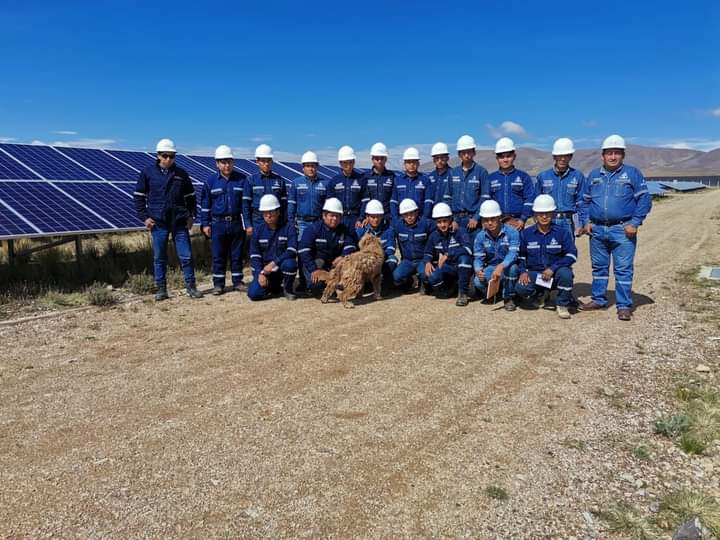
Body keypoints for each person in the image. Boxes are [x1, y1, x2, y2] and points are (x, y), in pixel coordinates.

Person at [579, 134, 652, 321]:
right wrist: (585, 221)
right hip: (597, 230)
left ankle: (624, 305)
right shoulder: (594, 175)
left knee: (623, 269)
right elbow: (584, 201)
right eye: (609, 153)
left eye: (617, 153)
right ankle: (598, 300)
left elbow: (645, 199)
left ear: (623, 155)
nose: (613, 157)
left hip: (622, 230)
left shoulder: (632, 173)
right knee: (599, 268)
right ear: (602, 155)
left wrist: (635, 222)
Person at [134, 138, 203, 301]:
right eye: (165, 156)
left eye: (172, 156)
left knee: (186, 256)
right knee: (159, 258)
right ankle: (161, 289)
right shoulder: (147, 173)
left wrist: (191, 215)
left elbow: (191, 197)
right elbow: (138, 198)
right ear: (158, 155)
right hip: (159, 223)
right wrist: (145, 217)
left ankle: (191, 287)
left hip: (179, 222)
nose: (168, 159)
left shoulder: (181, 174)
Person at [515, 195, 577, 319]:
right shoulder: (526, 234)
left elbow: (572, 255)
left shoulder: (562, 232)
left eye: (548, 213)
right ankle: (541, 293)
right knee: (521, 287)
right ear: (535, 215)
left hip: (555, 274)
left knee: (566, 274)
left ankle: (562, 304)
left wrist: (553, 268)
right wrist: (522, 272)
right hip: (537, 275)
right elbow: (521, 257)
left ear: (553, 214)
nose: (544, 216)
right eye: (540, 213)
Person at [200, 145, 251, 294]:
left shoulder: (242, 180)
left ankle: (237, 282)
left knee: (237, 254)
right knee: (218, 255)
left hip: (236, 222)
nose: (226, 165)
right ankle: (218, 284)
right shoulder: (210, 182)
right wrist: (205, 224)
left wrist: (247, 223)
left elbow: (245, 204)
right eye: (223, 162)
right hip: (218, 223)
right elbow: (205, 205)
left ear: (233, 162)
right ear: (217, 164)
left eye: (229, 161)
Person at [297, 197, 357, 295]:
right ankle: (312, 284)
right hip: (316, 263)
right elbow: (303, 251)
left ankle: (332, 284)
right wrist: (314, 269)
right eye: (331, 215)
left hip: (334, 265)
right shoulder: (313, 229)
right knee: (315, 285)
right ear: (324, 215)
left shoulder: (344, 229)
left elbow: (350, 245)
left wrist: (343, 257)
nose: (334, 219)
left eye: (337, 216)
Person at [247, 195, 298, 301]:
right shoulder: (258, 230)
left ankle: (287, 289)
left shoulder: (289, 228)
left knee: (290, 264)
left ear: (278, 212)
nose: (268, 215)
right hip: (265, 271)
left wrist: (274, 262)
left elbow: (292, 250)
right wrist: (259, 274)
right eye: (265, 213)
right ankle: (273, 286)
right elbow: (254, 255)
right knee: (253, 294)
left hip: (280, 267)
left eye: (271, 212)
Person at [472, 200, 520, 311]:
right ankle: (496, 293)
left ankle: (509, 297)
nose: (489, 223)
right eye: (486, 220)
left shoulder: (512, 232)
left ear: (499, 217)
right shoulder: (480, 236)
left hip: (508, 267)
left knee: (512, 269)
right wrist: (478, 269)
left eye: (493, 219)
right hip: (492, 268)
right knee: (478, 281)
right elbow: (478, 257)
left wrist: (502, 266)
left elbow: (513, 253)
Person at [423, 202, 473, 306]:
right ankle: (450, 288)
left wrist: (448, 254)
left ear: (450, 219)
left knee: (465, 259)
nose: (442, 225)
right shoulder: (434, 236)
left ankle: (463, 293)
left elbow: (468, 249)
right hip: (448, 267)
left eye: (445, 221)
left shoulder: (460, 231)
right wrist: (427, 262)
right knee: (432, 276)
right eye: (439, 222)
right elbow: (428, 252)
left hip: (461, 266)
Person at [535, 138, 586, 238]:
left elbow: (581, 202)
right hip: (548, 221)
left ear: (571, 157)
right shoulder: (543, 176)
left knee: (568, 251)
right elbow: (536, 201)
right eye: (560, 156)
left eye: (566, 156)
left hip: (568, 222)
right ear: (554, 156)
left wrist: (581, 223)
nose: (563, 159)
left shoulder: (578, 176)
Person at [487, 137, 536, 231]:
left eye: (508, 156)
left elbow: (529, 199)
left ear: (514, 156)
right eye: (501, 157)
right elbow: (487, 201)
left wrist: (523, 219)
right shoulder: (490, 178)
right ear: (497, 158)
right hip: (496, 223)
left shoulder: (523, 177)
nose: (505, 160)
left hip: (517, 223)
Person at [445, 134, 488, 238]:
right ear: (459, 154)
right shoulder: (453, 173)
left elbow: (485, 198)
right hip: (456, 221)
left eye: (469, 151)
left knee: (475, 251)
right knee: (456, 251)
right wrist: (451, 219)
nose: (466, 155)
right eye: (463, 152)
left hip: (473, 221)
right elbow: (447, 197)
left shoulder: (481, 172)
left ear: (474, 152)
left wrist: (476, 218)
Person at [391, 198, 435, 292]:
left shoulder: (426, 223)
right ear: (402, 215)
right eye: (405, 215)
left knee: (427, 275)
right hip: (408, 261)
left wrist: (429, 260)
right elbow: (388, 233)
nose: (409, 217)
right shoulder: (398, 226)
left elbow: (439, 230)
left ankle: (424, 282)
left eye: (411, 213)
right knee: (396, 276)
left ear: (416, 212)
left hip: (422, 260)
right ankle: (410, 281)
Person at [355, 199, 396, 291]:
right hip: (366, 261)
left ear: (382, 216)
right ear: (367, 217)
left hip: (382, 259)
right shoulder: (361, 231)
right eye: (373, 217)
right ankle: (366, 284)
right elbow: (355, 248)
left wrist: (379, 255)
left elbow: (391, 247)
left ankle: (385, 285)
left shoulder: (388, 230)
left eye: (378, 217)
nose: (376, 220)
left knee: (392, 259)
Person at [287, 151, 329, 241]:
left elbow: (328, 206)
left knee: (318, 249)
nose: (311, 169)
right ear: (303, 168)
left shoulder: (325, 184)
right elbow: (291, 205)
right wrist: (291, 223)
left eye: (313, 166)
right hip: (302, 223)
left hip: (319, 223)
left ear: (317, 167)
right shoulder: (296, 183)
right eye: (308, 166)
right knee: (302, 249)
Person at [247, 144, 287, 230]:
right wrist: (248, 224)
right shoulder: (251, 180)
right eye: (263, 161)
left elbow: (284, 205)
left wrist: (284, 221)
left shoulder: (280, 180)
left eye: (268, 161)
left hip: (276, 221)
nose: (266, 164)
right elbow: (245, 204)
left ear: (272, 161)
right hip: (257, 221)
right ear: (257, 161)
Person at [329, 145, 368, 229]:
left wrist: (361, 218)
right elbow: (330, 203)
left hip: (356, 219)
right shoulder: (334, 181)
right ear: (340, 163)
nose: (349, 165)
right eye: (345, 163)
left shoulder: (361, 179)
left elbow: (365, 201)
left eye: (351, 162)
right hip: (339, 219)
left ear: (354, 162)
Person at [390, 147, 434, 221]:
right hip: (402, 220)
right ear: (404, 164)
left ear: (418, 163)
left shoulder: (425, 180)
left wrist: (424, 218)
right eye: (409, 162)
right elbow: (394, 201)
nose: (411, 164)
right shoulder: (397, 180)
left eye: (414, 162)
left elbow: (428, 201)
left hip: (419, 219)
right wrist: (395, 218)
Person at [363, 142, 395, 223]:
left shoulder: (392, 176)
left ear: (386, 159)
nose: (379, 161)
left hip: (388, 217)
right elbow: (364, 199)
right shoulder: (365, 177)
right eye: (377, 158)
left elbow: (394, 198)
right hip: (372, 218)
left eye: (382, 158)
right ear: (372, 160)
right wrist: (364, 216)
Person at [427, 142, 452, 207]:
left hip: (448, 213)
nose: (439, 161)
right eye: (437, 158)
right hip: (433, 213)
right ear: (433, 160)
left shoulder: (453, 174)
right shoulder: (430, 176)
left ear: (447, 158)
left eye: (442, 158)